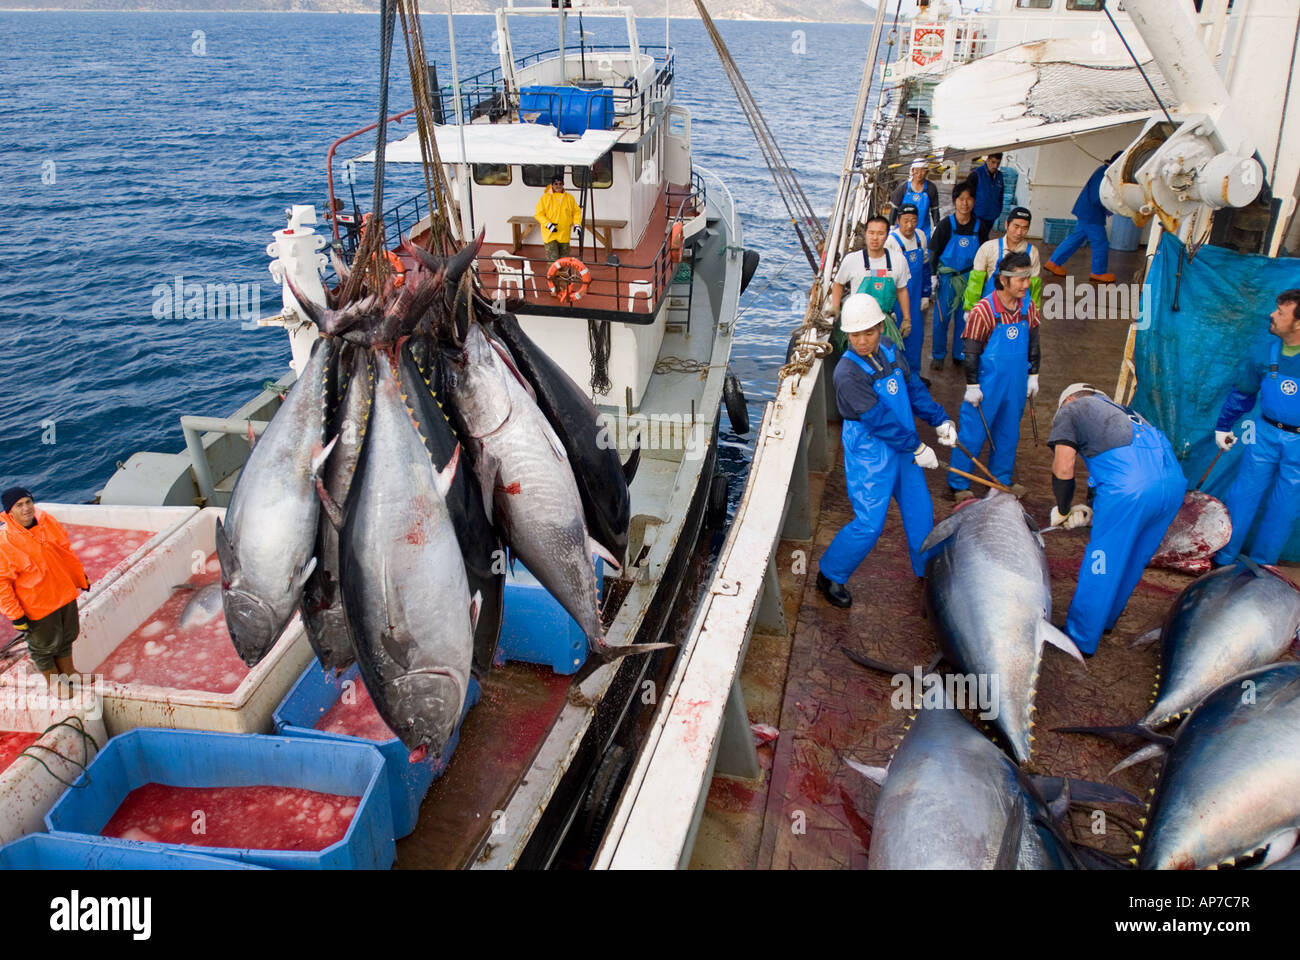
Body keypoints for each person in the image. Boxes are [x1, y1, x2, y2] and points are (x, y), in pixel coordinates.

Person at [816, 295, 956, 608]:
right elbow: (878, 419)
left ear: (881, 327)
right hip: (871, 453)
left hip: (904, 446)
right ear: (846, 336)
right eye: (855, 335)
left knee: (921, 510)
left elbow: (914, 388)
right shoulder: (846, 374)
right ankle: (830, 573)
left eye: (868, 332)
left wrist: (939, 419)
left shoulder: (892, 350)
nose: (862, 341)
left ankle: (926, 569)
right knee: (870, 523)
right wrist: (917, 446)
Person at [1049, 385, 1186, 656]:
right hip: (1173, 485)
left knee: (1103, 559)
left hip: (1130, 488)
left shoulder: (1072, 408)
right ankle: (1106, 621)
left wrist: (1063, 509)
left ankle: (1080, 638)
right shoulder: (1128, 413)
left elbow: (1064, 466)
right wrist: (1090, 510)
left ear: (1071, 398)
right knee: (1133, 557)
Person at [1212, 289, 1300, 565]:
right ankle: (1223, 561)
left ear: (1298, 323)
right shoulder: (1263, 353)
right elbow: (1244, 392)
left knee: (1284, 508)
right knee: (1242, 496)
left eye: (1281, 312)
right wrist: (1223, 426)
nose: (1271, 315)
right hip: (1264, 434)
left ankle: (1263, 569)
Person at [946, 251, 1041, 501]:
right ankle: (958, 483)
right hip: (987, 385)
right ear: (1004, 280)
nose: (1026, 285)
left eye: (1028, 278)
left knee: (1008, 432)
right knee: (973, 432)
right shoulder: (983, 310)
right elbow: (971, 351)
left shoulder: (1028, 307)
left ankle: (1000, 480)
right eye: (1020, 280)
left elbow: (1034, 343)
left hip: (1016, 384)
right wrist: (972, 384)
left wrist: (1034, 375)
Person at [0, 488, 88, 687]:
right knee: (43, 648)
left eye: (28, 502)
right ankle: (56, 684)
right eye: (19, 505)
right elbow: (2, 584)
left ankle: (70, 674)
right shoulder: (5, 543)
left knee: (67, 637)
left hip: (64, 594)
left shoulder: (46, 522)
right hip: (37, 607)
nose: (26, 508)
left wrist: (79, 577)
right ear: (9, 512)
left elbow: (65, 552)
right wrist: (16, 615)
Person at [826, 215, 913, 353]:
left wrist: (907, 319)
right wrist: (836, 307)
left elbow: (902, 290)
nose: (875, 238)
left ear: (887, 236)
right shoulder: (852, 259)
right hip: (857, 321)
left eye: (880, 233)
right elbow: (838, 283)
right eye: (871, 233)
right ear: (865, 234)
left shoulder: (898, 260)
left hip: (883, 322)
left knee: (887, 356)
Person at [1044, 152, 1121, 283]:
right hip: (1092, 213)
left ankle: (1053, 262)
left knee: (1075, 239)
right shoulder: (1105, 175)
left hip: (1086, 210)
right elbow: (1099, 197)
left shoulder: (1104, 171)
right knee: (1100, 242)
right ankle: (1098, 272)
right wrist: (1113, 205)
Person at [929, 181, 980, 370]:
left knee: (965, 318)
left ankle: (960, 353)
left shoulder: (979, 226)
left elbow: (985, 255)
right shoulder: (945, 225)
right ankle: (938, 355)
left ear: (974, 201)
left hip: (969, 279)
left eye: (969, 199)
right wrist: (933, 275)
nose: (965, 203)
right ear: (954, 201)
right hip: (947, 280)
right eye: (961, 199)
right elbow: (934, 252)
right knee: (941, 319)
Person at [962, 206, 1043, 311]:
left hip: (1018, 311)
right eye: (1016, 226)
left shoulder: (1033, 252)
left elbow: (1034, 287)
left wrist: (1034, 312)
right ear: (1007, 224)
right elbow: (975, 282)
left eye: (1024, 228)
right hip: (990, 310)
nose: (1019, 232)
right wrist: (970, 309)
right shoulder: (989, 248)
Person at [886, 203, 931, 373]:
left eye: (913, 221)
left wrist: (926, 294)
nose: (910, 225)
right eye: (905, 221)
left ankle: (915, 377)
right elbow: (885, 277)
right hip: (896, 301)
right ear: (898, 221)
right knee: (896, 341)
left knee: (916, 338)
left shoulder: (921, 237)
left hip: (915, 298)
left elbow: (926, 266)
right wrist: (889, 307)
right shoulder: (891, 241)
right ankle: (898, 376)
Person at [534, 171, 583, 263]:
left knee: (564, 259)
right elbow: (538, 214)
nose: (558, 186)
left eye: (560, 184)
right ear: (552, 185)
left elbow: (576, 211)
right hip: (550, 234)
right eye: (556, 184)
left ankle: (563, 276)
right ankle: (553, 276)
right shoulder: (545, 198)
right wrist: (548, 225)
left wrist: (577, 224)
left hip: (564, 233)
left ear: (563, 184)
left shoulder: (569, 198)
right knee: (553, 258)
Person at [890, 159, 940, 239]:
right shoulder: (903, 187)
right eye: (917, 170)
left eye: (923, 170)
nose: (919, 174)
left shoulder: (931, 188)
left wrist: (936, 227)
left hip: (923, 229)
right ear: (912, 171)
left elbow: (935, 210)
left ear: (926, 172)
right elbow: (894, 208)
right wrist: (891, 226)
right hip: (903, 229)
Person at [965, 153, 1005, 244]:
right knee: (973, 239)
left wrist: (998, 211)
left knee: (984, 238)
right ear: (987, 160)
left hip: (991, 216)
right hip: (976, 215)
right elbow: (967, 196)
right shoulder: (976, 174)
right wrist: (969, 214)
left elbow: (1001, 195)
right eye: (993, 162)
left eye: (998, 163)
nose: (995, 166)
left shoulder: (1000, 176)